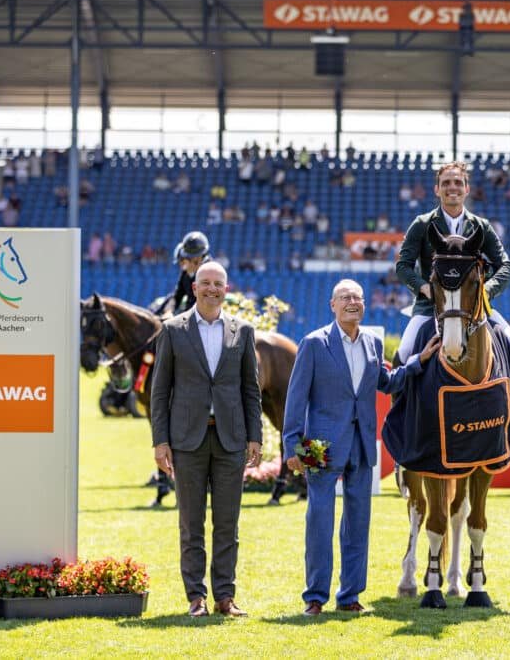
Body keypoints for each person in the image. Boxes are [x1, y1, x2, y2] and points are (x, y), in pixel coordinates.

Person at [282, 279, 440, 616]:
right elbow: (295, 398)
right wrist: (291, 446)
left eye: (358, 297)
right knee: (319, 523)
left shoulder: (373, 342)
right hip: (318, 447)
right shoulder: (313, 343)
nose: (353, 302)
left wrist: (419, 361)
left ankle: (350, 596)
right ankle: (315, 597)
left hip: (362, 445)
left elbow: (387, 382)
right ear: (333, 305)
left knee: (358, 525)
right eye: (346, 298)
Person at [150, 261, 262, 618]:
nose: (212, 289)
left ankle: (225, 598)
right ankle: (195, 597)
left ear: (226, 290)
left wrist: (255, 436)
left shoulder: (242, 331)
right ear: (194, 287)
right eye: (206, 283)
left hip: (231, 439)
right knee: (191, 523)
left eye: (218, 284)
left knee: (228, 524)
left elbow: (250, 389)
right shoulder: (173, 330)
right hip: (187, 441)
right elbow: (160, 390)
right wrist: (160, 441)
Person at [394, 161, 510, 374]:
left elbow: (506, 266)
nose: (452, 187)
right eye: (445, 183)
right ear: (437, 189)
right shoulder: (422, 224)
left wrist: (487, 290)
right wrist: (424, 287)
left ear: (466, 188)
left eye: (457, 182)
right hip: (431, 306)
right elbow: (403, 266)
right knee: (404, 351)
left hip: (474, 307)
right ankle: (399, 408)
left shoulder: (482, 226)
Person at [154, 231, 210, 317]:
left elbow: (204, 306)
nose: (186, 265)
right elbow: (177, 295)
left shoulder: (211, 273)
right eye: (189, 258)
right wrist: (169, 311)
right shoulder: (186, 273)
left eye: (194, 260)